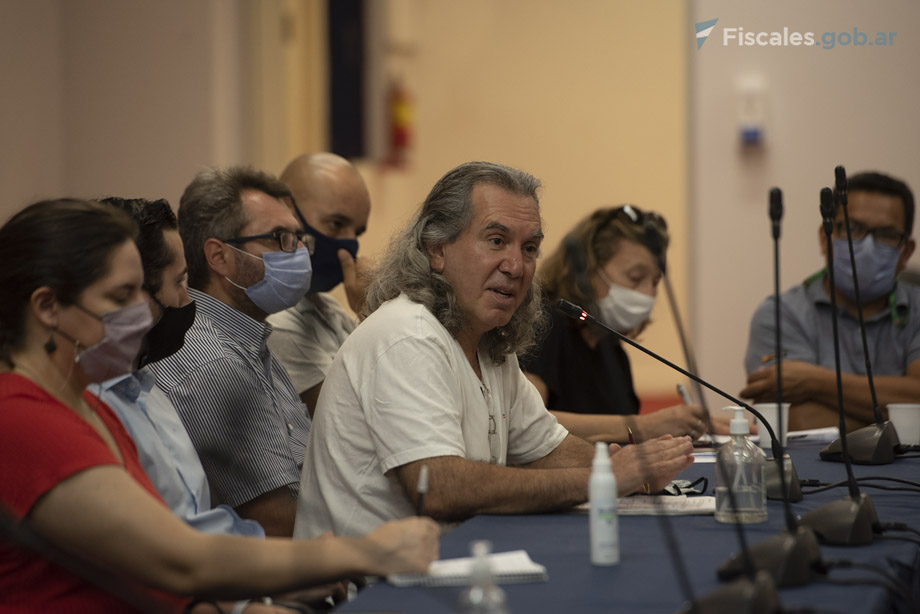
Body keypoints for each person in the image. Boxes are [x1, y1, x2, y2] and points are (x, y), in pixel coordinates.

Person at [0, 199, 438, 613]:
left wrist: (234, 600)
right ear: (48, 307)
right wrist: (364, 551)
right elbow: (180, 559)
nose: (143, 311)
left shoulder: (88, 404)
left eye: (142, 291)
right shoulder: (22, 417)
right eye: (120, 296)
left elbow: (134, 569)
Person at [294, 161, 694, 539]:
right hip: (368, 582)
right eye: (497, 241)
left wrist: (634, 468)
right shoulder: (406, 335)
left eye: (530, 248)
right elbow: (438, 487)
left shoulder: (490, 344)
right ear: (437, 250)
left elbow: (547, 448)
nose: (516, 266)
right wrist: (605, 477)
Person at [149, 167, 312, 537]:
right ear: (219, 256)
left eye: (300, 239)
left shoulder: (248, 339)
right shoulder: (214, 362)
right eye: (280, 238)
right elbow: (276, 522)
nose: (299, 252)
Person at [93, 197, 263, 538]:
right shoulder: (91, 407)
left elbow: (195, 519)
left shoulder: (146, 385)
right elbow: (160, 544)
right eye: (179, 283)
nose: (188, 301)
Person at [521, 205, 728, 443]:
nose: (648, 294)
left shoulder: (611, 349)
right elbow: (528, 422)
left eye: (655, 282)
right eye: (636, 277)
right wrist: (646, 426)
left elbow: (622, 439)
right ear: (586, 270)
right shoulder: (543, 321)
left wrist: (683, 427)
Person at [742, 171, 920, 431]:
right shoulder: (779, 315)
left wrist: (816, 381)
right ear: (825, 237)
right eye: (853, 228)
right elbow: (796, 422)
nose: (867, 245)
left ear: (906, 251)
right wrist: (903, 417)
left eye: (886, 234)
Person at [267, 153, 371, 413]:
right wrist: (371, 312)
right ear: (287, 211)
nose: (348, 245)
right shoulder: (276, 319)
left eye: (357, 232)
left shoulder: (324, 306)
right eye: (336, 224)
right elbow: (353, 419)